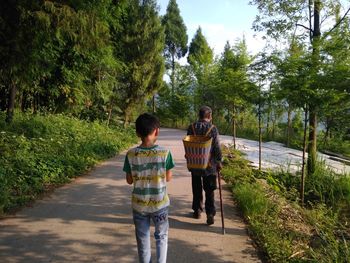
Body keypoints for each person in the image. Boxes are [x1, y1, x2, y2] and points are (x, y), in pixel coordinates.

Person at [123, 113, 175, 263]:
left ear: (137, 133)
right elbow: (169, 177)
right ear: (156, 131)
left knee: (143, 239)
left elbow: (129, 180)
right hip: (160, 205)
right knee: (162, 236)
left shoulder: (131, 154)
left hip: (139, 206)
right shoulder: (165, 153)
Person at [187, 106, 222, 225]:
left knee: (196, 188)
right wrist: (219, 161)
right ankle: (210, 213)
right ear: (209, 116)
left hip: (195, 163)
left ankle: (197, 210)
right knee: (209, 190)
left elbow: (188, 145)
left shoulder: (191, 127)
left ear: (199, 115)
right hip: (209, 165)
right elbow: (217, 147)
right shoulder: (213, 129)